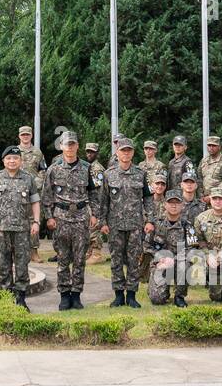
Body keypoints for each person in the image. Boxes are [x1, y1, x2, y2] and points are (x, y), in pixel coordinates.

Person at [43, 132, 100, 310]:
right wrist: (49, 217)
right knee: (62, 258)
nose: (69, 147)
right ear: (61, 146)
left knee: (79, 259)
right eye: (66, 144)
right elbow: (46, 195)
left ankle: (76, 295)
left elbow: (93, 193)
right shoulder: (54, 168)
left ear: (77, 146)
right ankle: (64, 295)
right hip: (61, 218)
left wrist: (94, 214)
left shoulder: (86, 167)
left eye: (73, 144)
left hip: (81, 217)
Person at [99, 137, 152, 308]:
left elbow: (148, 199)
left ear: (133, 153)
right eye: (123, 150)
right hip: (115, 225)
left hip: (135, 225)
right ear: (117, 152)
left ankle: (131, 295)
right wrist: (103, 222)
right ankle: (118, 295)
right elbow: (103, 201)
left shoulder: (140, 174)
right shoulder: (109, 174)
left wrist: (149, 220)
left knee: (133, 260)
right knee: (115, 260)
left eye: (129, 150)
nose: (126, 153)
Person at [0, 146, 40, 310]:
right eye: (9, 158)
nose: (12, 161)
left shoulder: (28, 179)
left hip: (22, 230)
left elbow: (35, 201)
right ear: (3, 161)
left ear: (20, 161)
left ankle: (21, 299)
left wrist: (36, 222)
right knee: (2, 264)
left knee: (22, 265)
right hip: (1, 230)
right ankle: (6, 299)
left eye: (15, 158)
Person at [147, 189, 196, 307]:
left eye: (177, 202)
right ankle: (160, 289)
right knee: (157, 299)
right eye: (170, 202)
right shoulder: (155, 223)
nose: (174, 205)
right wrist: (160, 258)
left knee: (185, 265)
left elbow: (192, 249)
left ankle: (179, 296)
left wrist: (174, 259)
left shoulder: (188, 225)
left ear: (182, 205)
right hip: (161, 263)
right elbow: (147, 246)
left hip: (179, 263)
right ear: (165, 204)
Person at [17, 125, 47, 263]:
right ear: (19, 136)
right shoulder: (15, 151)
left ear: (31, 136)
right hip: (17, 191)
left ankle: (33, 251)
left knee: (34, 220)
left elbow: (43, 170)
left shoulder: (37, 152)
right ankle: (18, 251)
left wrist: (37, 183)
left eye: (27, 134)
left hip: (33, 191)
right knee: (17, 220)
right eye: (23, 135)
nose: (25, 137)